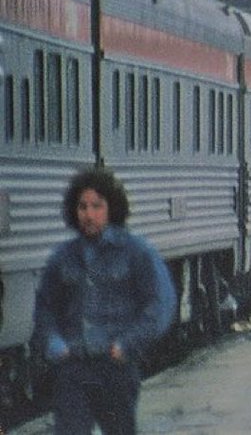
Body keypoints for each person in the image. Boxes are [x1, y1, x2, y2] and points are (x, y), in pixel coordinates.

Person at [33, 169, 176, 435]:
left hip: (115, 370)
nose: (88, 214)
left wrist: (127, 344)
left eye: (97, 206)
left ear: (112, 208)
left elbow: (159, 305)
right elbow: (45, 308)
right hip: (73, 370)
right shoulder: (63, 257)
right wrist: (54, 343)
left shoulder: (135, 252)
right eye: (82, 206)